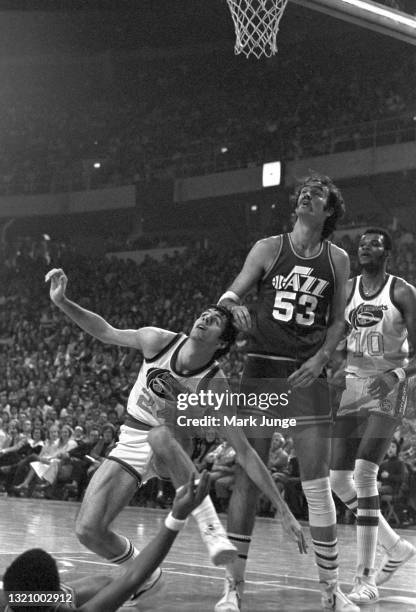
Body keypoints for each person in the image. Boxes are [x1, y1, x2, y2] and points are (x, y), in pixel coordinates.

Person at [45, 268, 306, 604]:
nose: (205, 319)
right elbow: (105, 331)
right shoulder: (158, 340)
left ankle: (211, 526)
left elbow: (243, 451)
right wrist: (63, 301)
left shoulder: (214, 384)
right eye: (204, 314)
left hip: (178, 446)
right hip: (131, 437)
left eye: (214, 321)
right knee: (89, 531)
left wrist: (283, 510)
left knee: (160, 434)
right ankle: (146, 576)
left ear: (222, 341)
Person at [217, 174, 356, 611]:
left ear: (329, 210)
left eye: (317, 193)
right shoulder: (268, 248)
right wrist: (231, 306)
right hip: (262, 367)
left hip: (307, 371)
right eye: (303, 191)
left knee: (317, 484)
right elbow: (231, 292)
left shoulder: (337, 260)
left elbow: (337, 321)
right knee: (247, 476)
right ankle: (232, 589)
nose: (306, 195)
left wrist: (323, 358)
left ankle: (331, 593)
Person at [330, 228, 416, 603]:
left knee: (364, 472)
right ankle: (395, 546)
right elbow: (340, 334)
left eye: (375, 243)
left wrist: (393, 374)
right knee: (337, 479)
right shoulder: (347, 289)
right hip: (354, 387)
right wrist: (333, 363)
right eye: (362, 243)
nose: (366, 247)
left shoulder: (402, 292)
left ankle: (365, 576)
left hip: (391, 387)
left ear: (387, 253)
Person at [0, 473, 210, 612]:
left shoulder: (12, 598)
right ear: (52, 602)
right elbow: (133, 578)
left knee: (104, 583)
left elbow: (132, 580)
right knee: (110, 585)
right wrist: (177, 515)